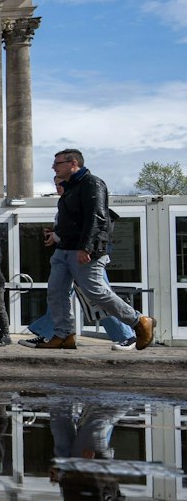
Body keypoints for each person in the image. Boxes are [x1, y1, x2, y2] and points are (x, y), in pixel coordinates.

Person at [40, 148, 154, 350]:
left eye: (57, 163)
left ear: (73, 163)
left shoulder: (92, 183)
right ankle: (63, 334)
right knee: (56, 291)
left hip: (83, 250)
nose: (53, 167)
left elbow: (97, 217)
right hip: (64, 249)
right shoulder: (69, 188)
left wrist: (87, 247)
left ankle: (139, 321)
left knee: (96, 292)